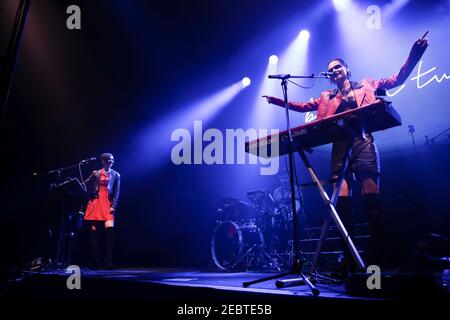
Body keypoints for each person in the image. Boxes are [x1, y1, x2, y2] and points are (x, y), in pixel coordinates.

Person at [263, 37, 428, 270]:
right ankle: (350, 261)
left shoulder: (367, 85)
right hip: (340, 148)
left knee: (372, 202)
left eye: (337, 67)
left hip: (363, 143)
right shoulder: (326, 97)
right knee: (341, 205)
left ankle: (380, 257)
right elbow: (302, 107)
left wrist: (414, 55)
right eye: (330, 70)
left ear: (346, 69)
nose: (333, 71)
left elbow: (397, 79)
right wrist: (278, 101)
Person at [83, 153, 121, 269]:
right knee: (94, 233)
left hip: (107, 204)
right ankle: (96, 261)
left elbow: (117, 192)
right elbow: (85, 184)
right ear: (103, 161)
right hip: (95, 203)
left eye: (112, 160)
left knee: (109, 232)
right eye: (109, 159)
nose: (111, 161)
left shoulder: (116, 175)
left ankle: (108, 261)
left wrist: (113, 206)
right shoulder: (95, 173)